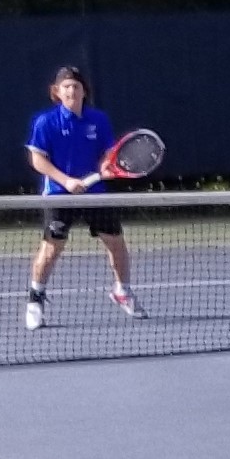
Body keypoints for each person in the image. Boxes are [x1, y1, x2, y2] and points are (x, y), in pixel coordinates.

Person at [23, 66, 140, 328]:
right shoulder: (45, 122)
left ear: (84, 91)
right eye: (66, 87)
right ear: (56, 92)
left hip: (95, 194)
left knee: (116, 243)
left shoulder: (99, 120)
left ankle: (122, 291)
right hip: (58, 195)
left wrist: (105, 167)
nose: (71, 91)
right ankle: (35, 300)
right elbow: (37, 159)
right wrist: (66, 181)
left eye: (76, 86)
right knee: (52, 248)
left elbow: (108, 154)